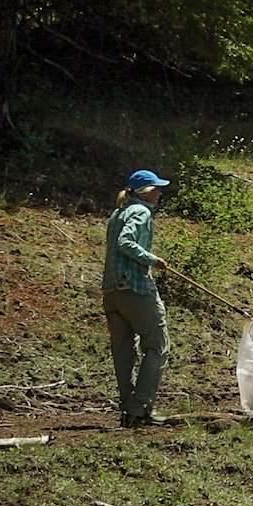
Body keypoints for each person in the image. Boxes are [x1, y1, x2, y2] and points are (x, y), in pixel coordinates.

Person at [103, 169, 173, 428]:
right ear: (146, 193)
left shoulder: (117, 213)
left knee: (123, 350)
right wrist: (153, 260)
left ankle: (128, 406)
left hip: (112, 292)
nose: (159, 193)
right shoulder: (141, 212)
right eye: (156, 189)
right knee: (157, 345)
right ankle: (140, 407)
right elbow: (126, 242)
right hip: (135, 288)